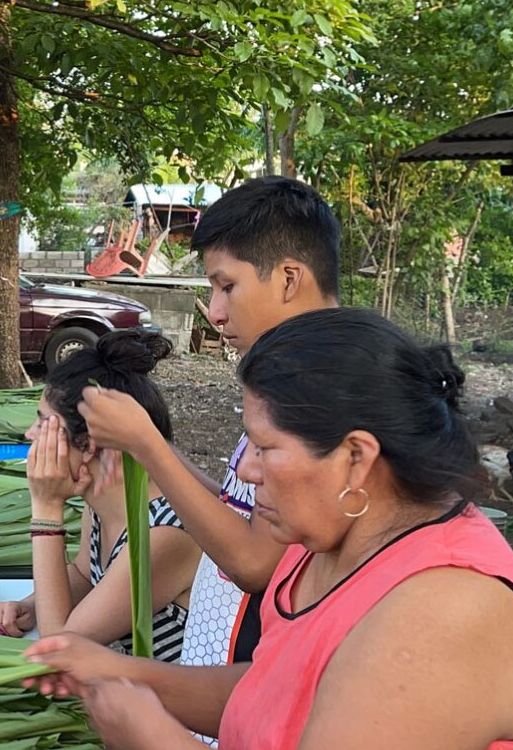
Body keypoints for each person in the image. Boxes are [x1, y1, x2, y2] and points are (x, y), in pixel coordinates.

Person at [27, 309, 513, 750]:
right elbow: (272, 689)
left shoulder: (448, 609)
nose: (248, 472)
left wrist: (150, 731)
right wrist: (119, 672)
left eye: (265, 447)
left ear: (356, 458)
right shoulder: (327, 545)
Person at [79, 176, 340, 670]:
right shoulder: (287, 375)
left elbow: (254, 563)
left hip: (263, 667)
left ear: (288, 278)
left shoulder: (323, 387)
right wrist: (147, 445)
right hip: (225, 667)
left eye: (227, 286)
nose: (216, 312)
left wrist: (147, 445)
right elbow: (234, 509)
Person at [0, 330, 199, 662]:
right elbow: (85, 574)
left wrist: (46, 508)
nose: (30, 434)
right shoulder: (104, 501)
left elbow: (61, 645)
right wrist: (31, 605)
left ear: (88, 444)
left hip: (185, 708)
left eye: (43, 423)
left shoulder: (162, 534)